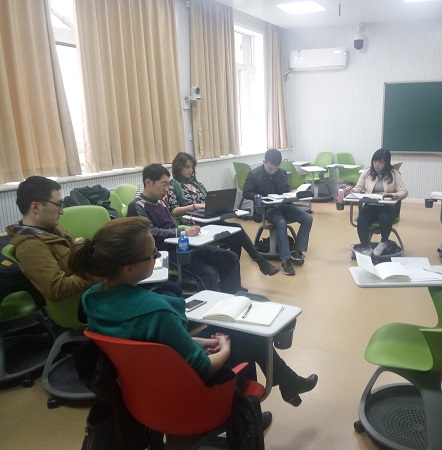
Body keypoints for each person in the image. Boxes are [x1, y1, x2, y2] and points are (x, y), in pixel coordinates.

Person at [70, 216, 318, 408]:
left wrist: (199, 341)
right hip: (184, 392)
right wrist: (224, 347)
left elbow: (148, 344)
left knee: (230, 332)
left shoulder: (91, 299)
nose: (158, 256)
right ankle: (250, 408)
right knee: (243, 336)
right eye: (152, 254)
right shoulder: (158, 313)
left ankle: (285, 381)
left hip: (141, 387)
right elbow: (203, 367)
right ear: (128, 269)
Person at [6, 176, 182, 305]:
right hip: (84, 300)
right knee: (169, 295)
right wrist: (100, 271)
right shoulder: (30, 245)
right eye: (58, 204)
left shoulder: (51, 229)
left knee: (171, 289)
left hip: (98, 286)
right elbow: (57, 288)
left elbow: (76, 249)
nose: (61, 211)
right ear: (36, 207)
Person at [127, 164, 242, 294]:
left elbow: (172, 225)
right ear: (148, 182)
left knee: (229, 257)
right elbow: (150, 232)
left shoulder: (160, 203)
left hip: (183, 245)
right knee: (208, 273)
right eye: (163, 184)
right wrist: (183, 232)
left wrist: (190, 232)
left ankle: (232, 297)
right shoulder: (137, 206)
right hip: (166, 252)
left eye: (168, 185)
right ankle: (212, 305)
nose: (167, 189)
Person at [166, 152, 279, 276]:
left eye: (192, 167)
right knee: (237, 230)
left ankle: (233, 275)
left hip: (208, 218)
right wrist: (194, 206)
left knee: (235, 233)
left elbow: (209, 200)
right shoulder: (173, 186)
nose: (191, 170)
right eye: (187, 167)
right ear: (178, 167)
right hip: (193, 223)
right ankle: (260, 262)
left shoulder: (196, 184)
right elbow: (174, 211)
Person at [243, 149, 313, 276]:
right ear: (264, 162)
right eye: (270, 168)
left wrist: (291, 192)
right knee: (281, 222)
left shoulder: (281, 173)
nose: (272, 171)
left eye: (275, 168)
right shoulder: (254, 174)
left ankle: (297, 251)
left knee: (307, 218)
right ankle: (285, 260)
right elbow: (246, 192)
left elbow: (285, 188)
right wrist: (259, 197)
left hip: (283, 205)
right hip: (267, 209)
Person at [344, 149, 408, 257]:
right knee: (362, 218)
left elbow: (404, 192)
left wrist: (391, 195)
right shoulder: (367, 172)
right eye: (374, 161)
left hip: (387, 206)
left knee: (384, 217)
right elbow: (358, 188)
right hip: (370, 205)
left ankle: (383, 242)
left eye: (380, 162)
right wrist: (351, 190)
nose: (377, 165)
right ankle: (365, 246)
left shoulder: (394, 174)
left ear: (386, 162)